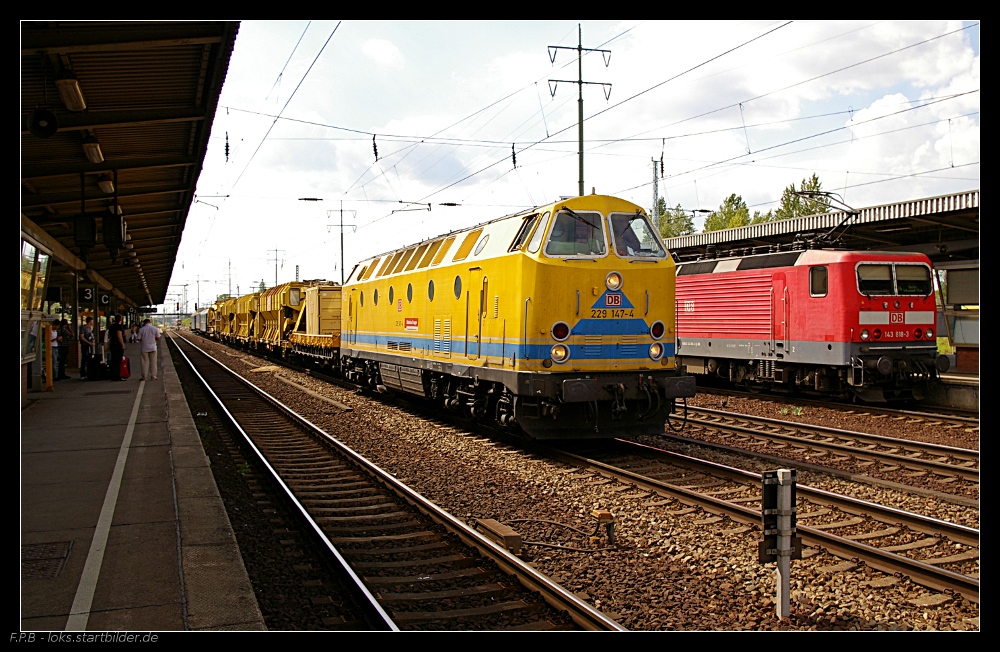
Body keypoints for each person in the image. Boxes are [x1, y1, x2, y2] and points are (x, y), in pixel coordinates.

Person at [108, 315, 127, 381]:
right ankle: (117, 376)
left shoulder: (111, 326)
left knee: (113, 360)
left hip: (112, 344)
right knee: (118, 361)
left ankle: (112, 376)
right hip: (117, 345)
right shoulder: (119, 326)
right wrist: (122, 345)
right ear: (120, 319)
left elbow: (109, 336)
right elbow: (119, 336)